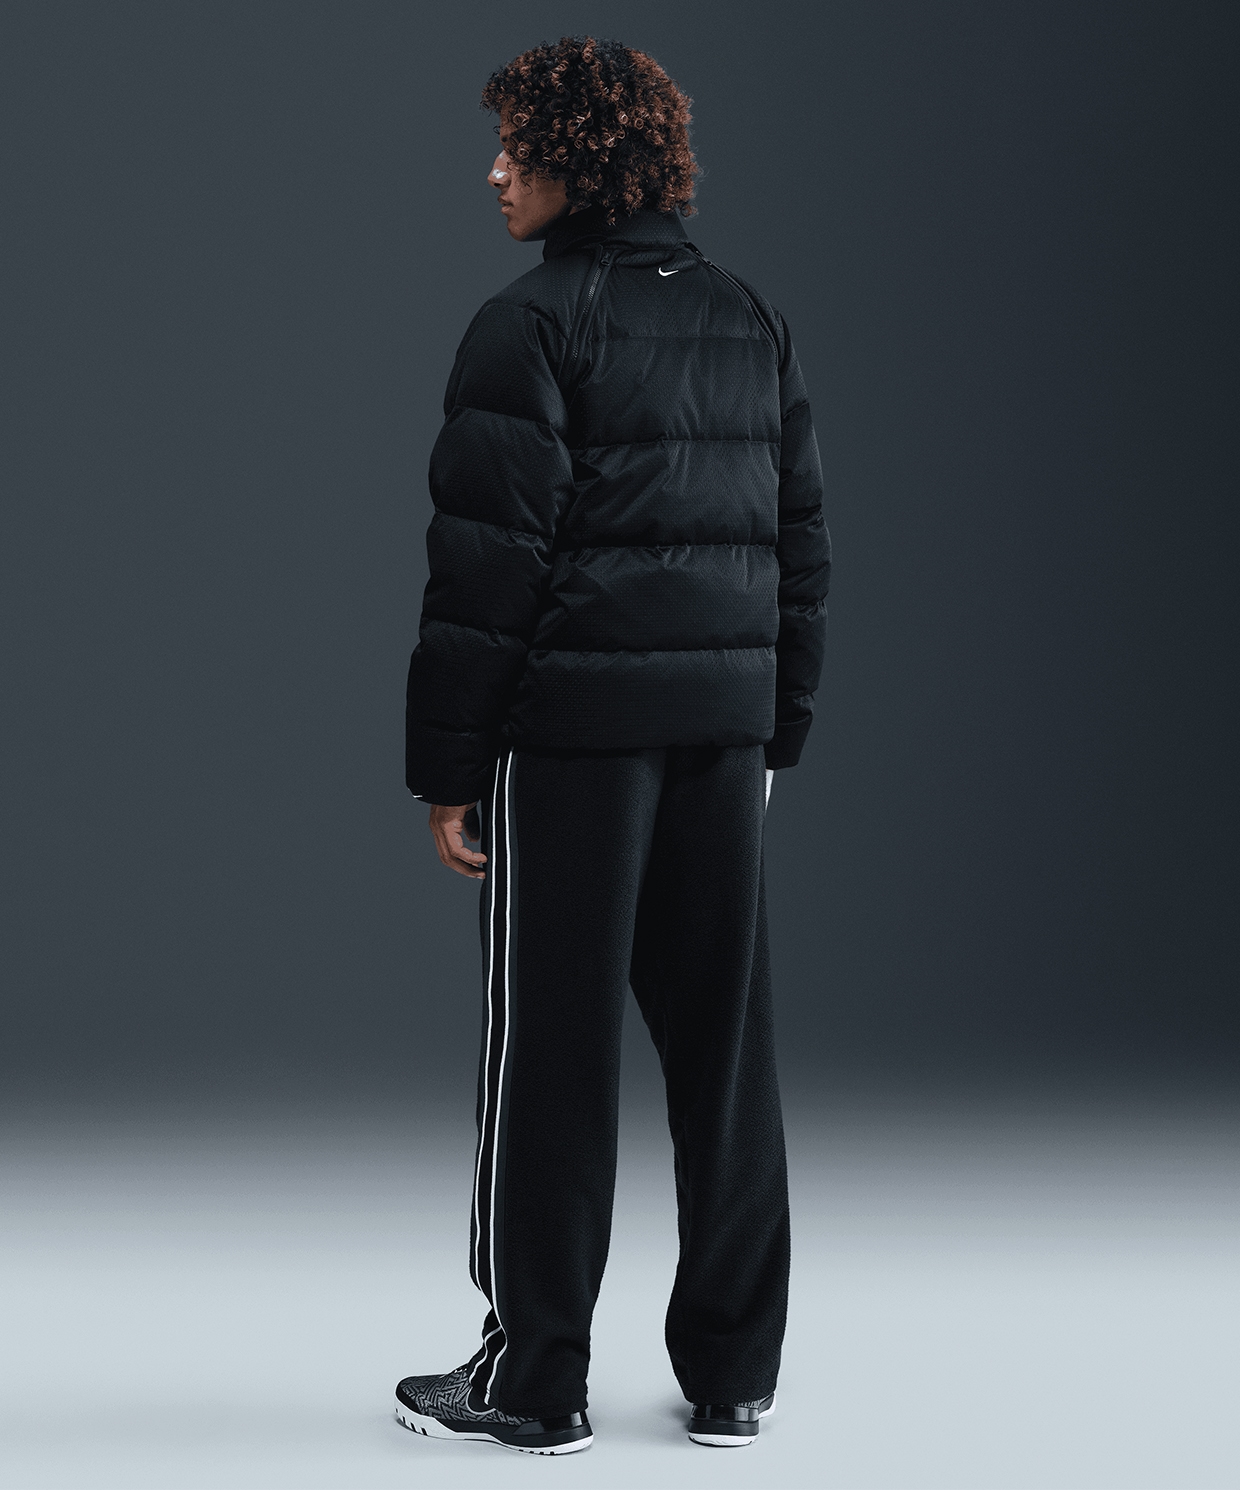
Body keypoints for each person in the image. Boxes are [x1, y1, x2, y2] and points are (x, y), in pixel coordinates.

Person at [395, 35, 830, 1456]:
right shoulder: (748, 315)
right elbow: (799, 545)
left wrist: (448, 766)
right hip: (720, 736)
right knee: (725, 1049)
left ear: (581, 164)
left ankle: (536, 1382)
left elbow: (484, 572)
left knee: (553, 1053)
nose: (494, 171)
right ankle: (735, 1377)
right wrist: (776, 727)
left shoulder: (528, 326)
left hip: (574, 742)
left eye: (517, 147)